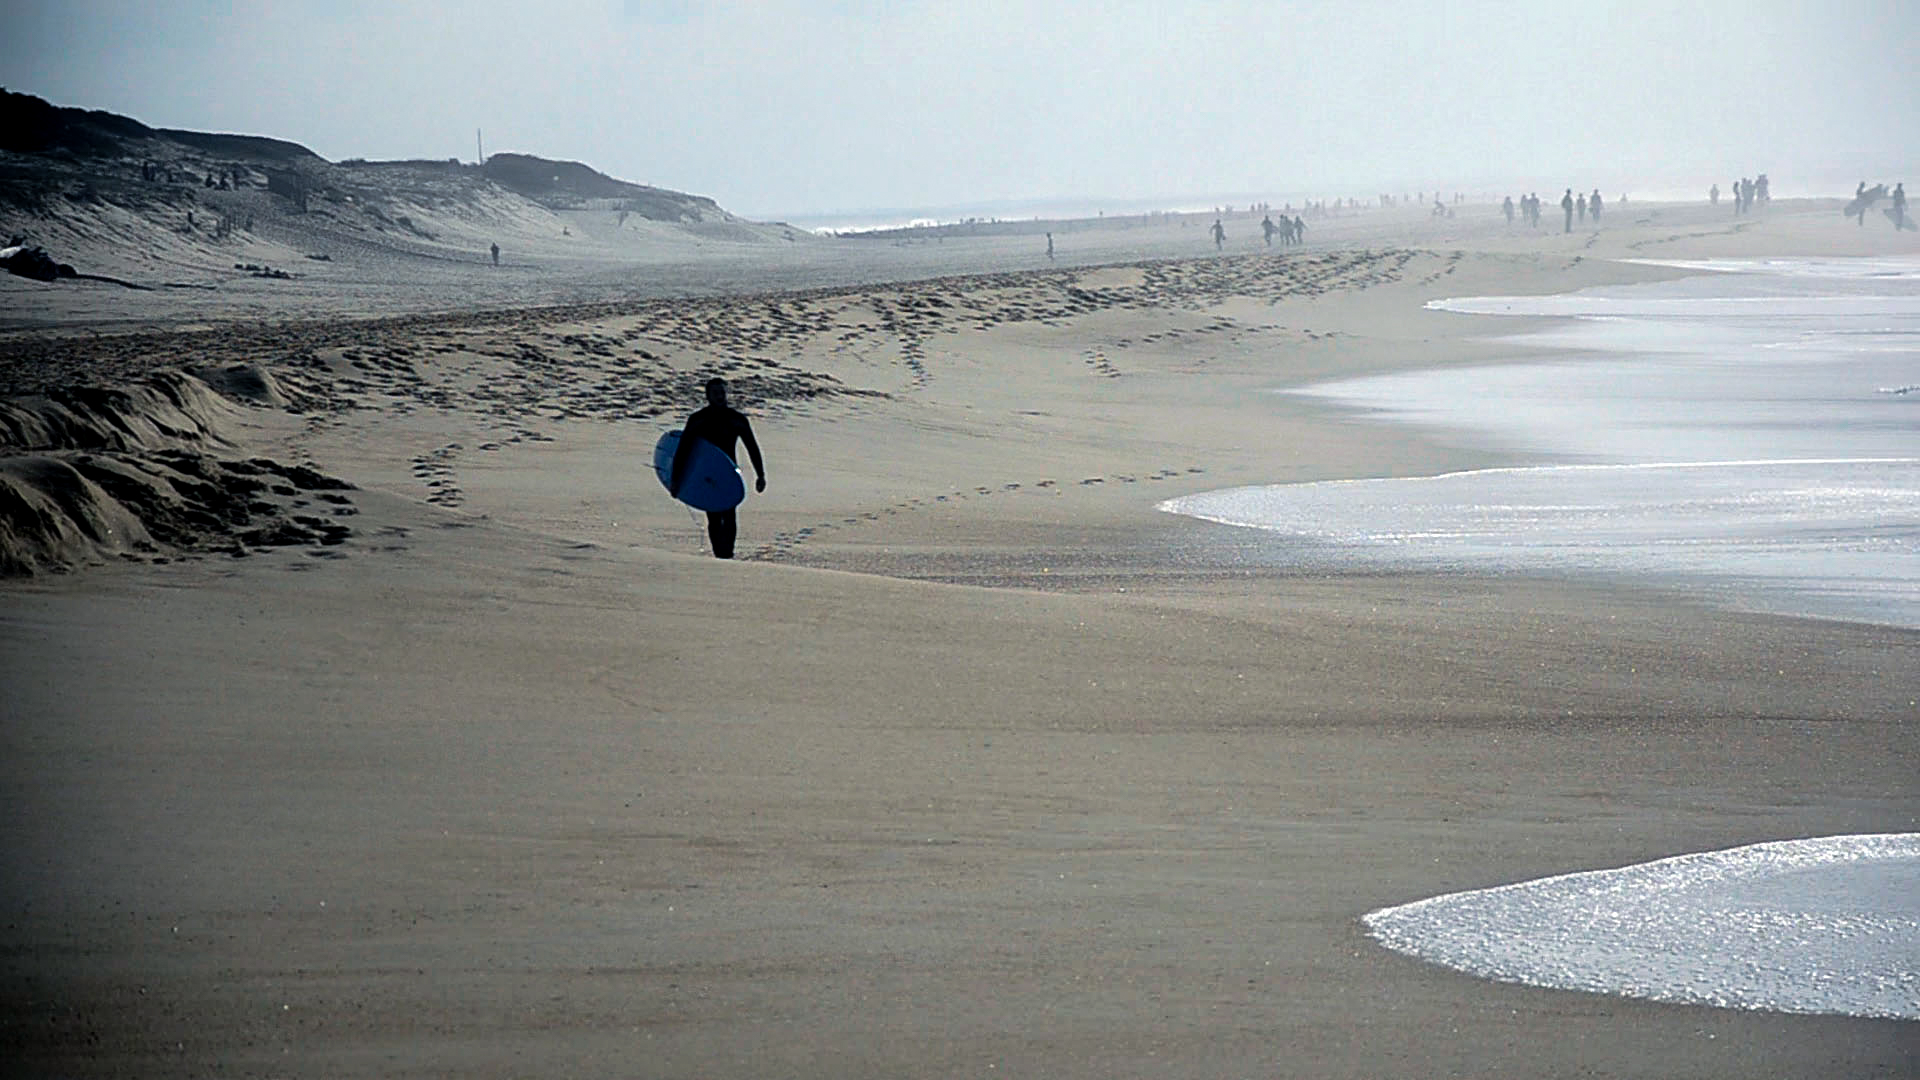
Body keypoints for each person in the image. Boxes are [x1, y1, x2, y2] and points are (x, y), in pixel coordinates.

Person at [670, 377, 766, 559]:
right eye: (715, 393)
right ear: (708, 396)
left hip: (729, 474)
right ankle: (719, 556)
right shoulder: (699, 420)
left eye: (722, 392)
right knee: (713, 516)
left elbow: (752, 447)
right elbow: (683, 451)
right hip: (706, 475)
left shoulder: (736, 419)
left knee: (730, 515)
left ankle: (727, 554)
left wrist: (760, 475)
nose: (720, 396)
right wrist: (675, 480)